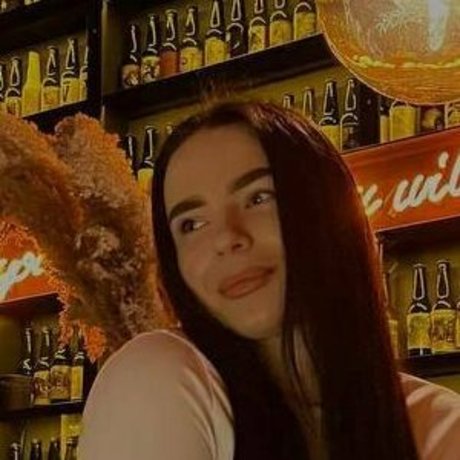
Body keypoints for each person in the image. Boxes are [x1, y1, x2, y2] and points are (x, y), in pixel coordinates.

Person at [79, 100, 460, 460]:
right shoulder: (159, 377)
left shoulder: (440, 424)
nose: (226, 238)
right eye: (191, 224)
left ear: (327, 206)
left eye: (258, 198)